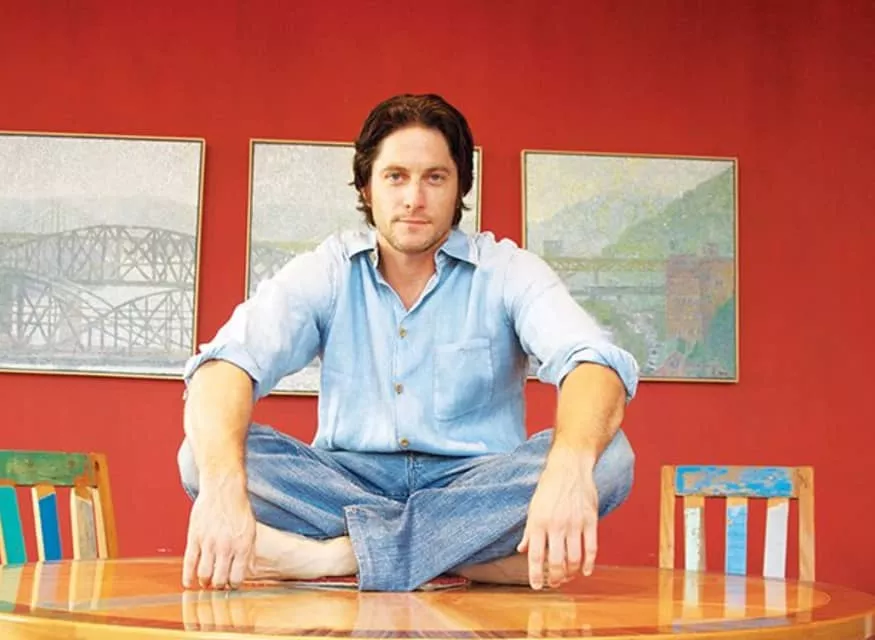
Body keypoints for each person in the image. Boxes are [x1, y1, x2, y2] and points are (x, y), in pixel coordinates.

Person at [177, 93, 639, 593]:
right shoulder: (327, 270)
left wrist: (568, 468)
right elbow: (225, 366)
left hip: (477, 485)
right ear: (367, 186)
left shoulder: (508, 270)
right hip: (345, 482)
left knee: (608, 458)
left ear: (460, 187)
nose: (414, 198)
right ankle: (468, 561)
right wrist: (222, 488)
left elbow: (593, 364)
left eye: (434, 178)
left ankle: (341, 557)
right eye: (396, 176)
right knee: (202, 456)